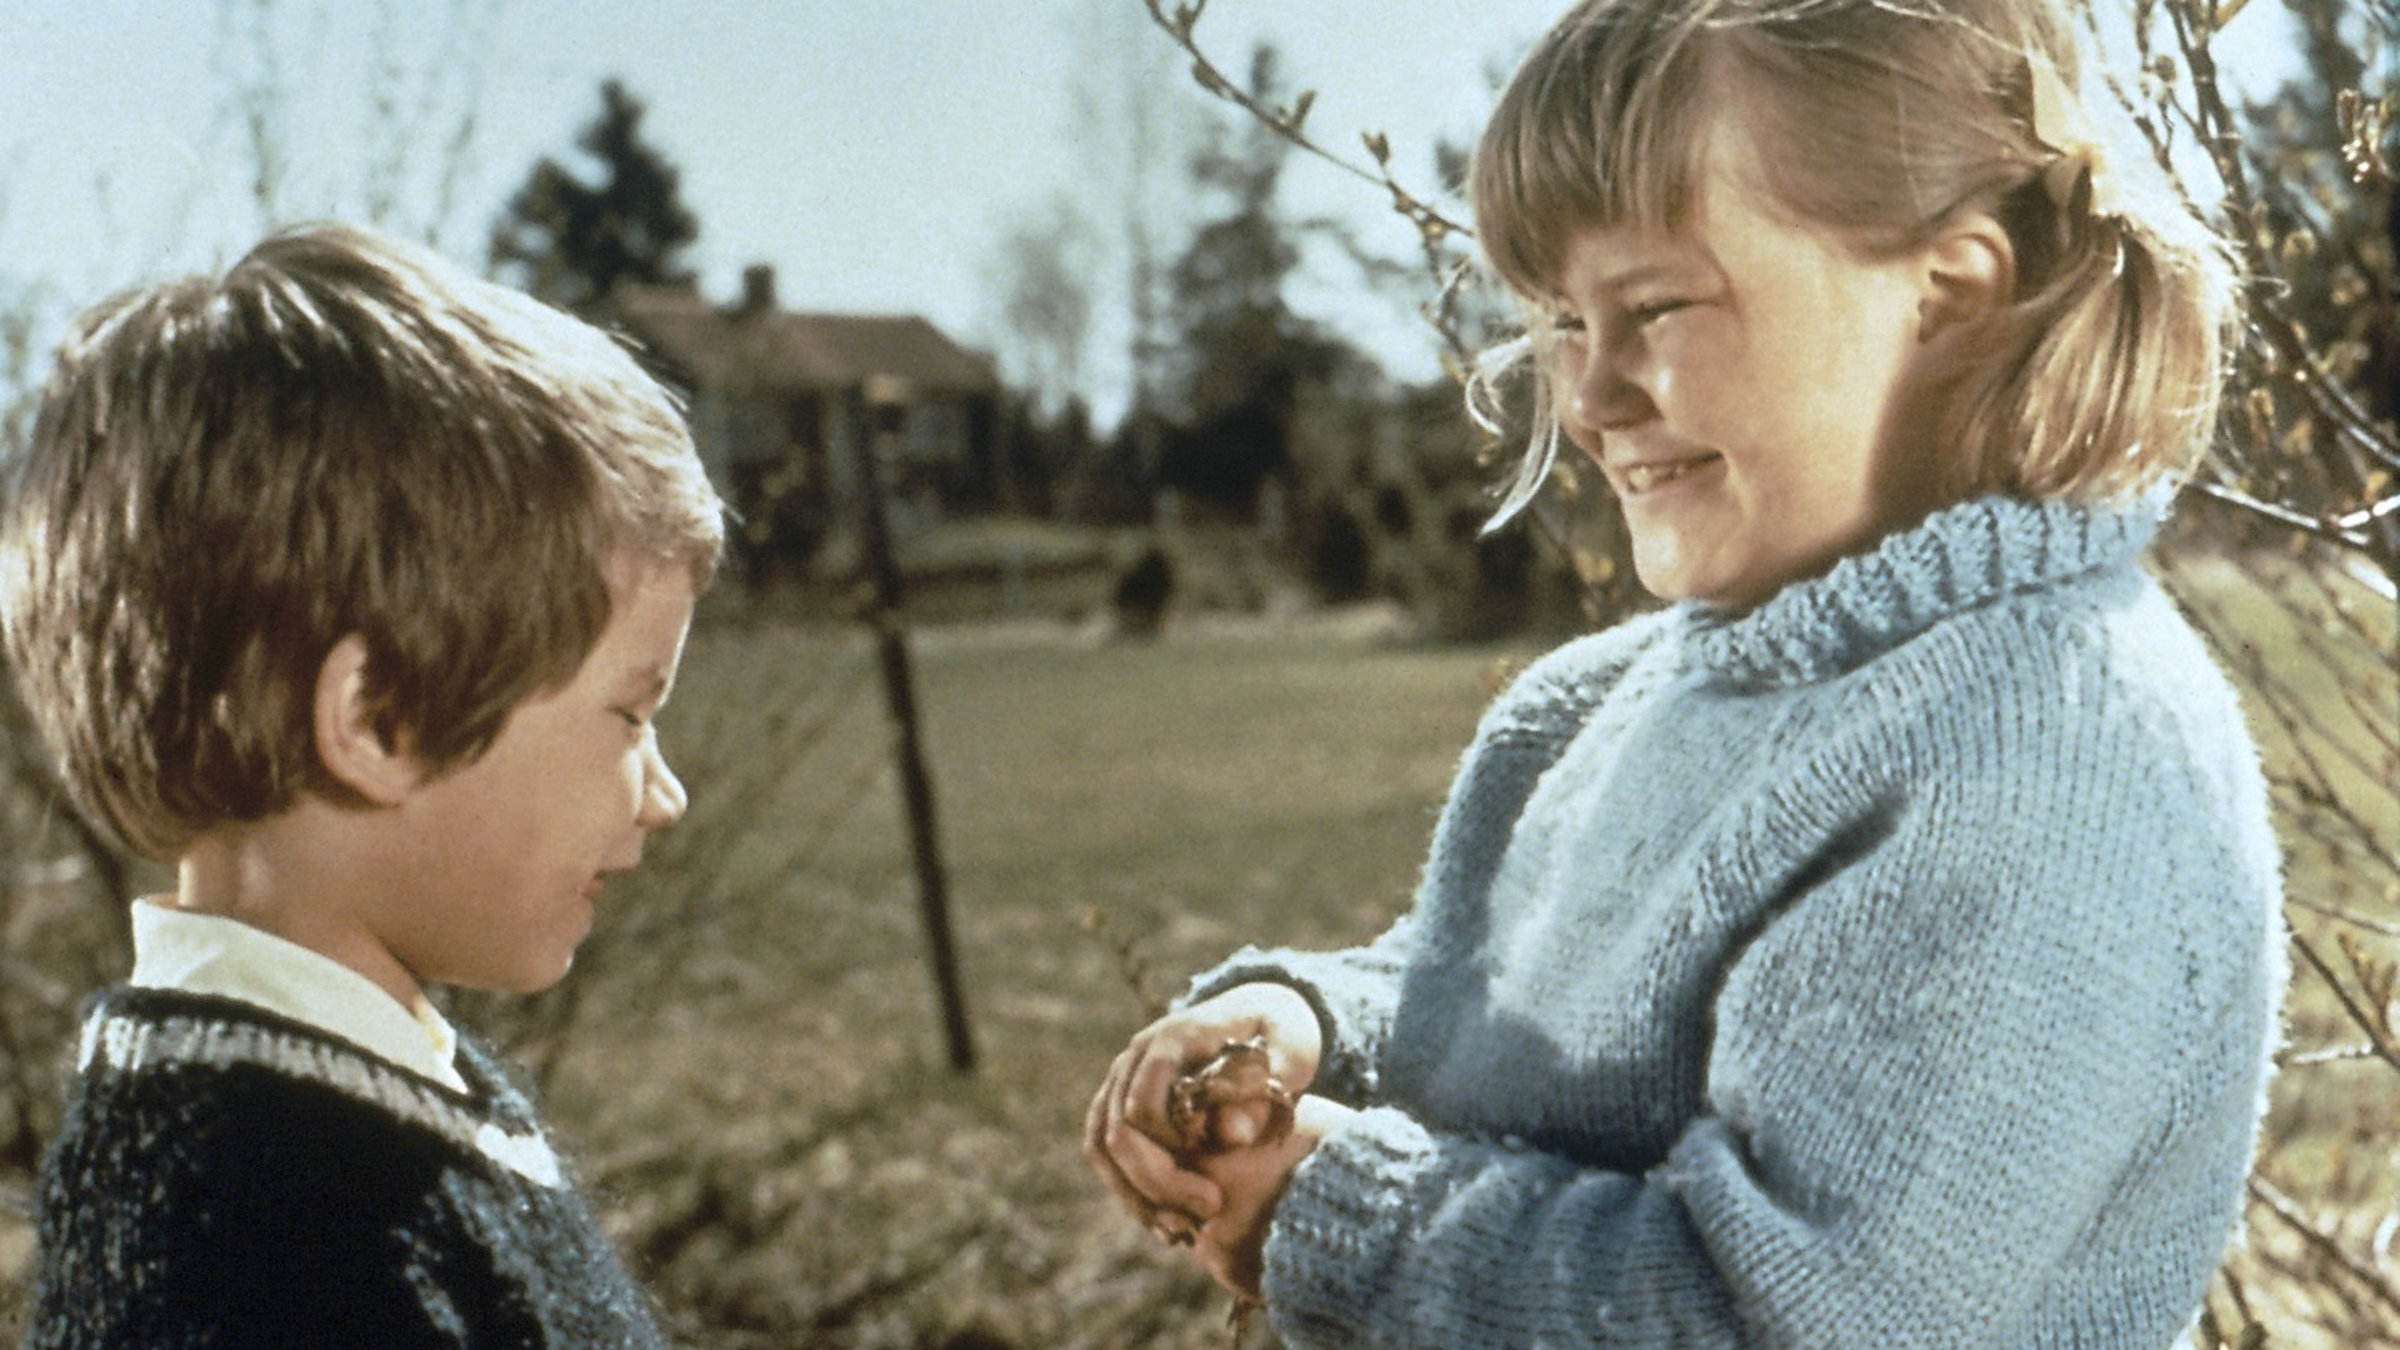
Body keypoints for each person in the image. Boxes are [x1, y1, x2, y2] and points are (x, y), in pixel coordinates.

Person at [1084, 0, 2285, 1343]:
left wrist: (1335, 1211)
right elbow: (1526, 1036)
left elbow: (1791, 1316)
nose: (1590, 396)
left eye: (1652, 306)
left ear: (1946, 297)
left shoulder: (2049, 748)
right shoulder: (1591, 706)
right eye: (1558, 320)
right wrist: (1303, 1032)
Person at [1, 222, 724, 1345]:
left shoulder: (371, 1092)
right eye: (629, 712)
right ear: (379, 721)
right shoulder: (258, 1238)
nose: (661, 792)